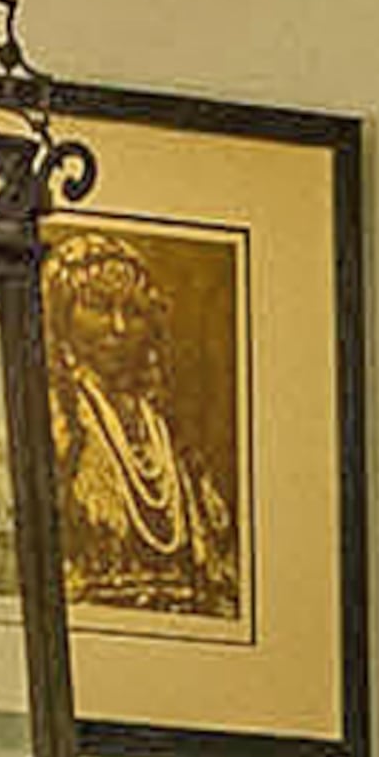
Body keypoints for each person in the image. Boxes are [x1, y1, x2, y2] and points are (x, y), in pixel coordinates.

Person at [43, 224, 238, 622]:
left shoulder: (170, 438)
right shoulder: (53, 420)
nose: (118, 327)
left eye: (132, 312)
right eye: (98, 306)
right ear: (62, 315)